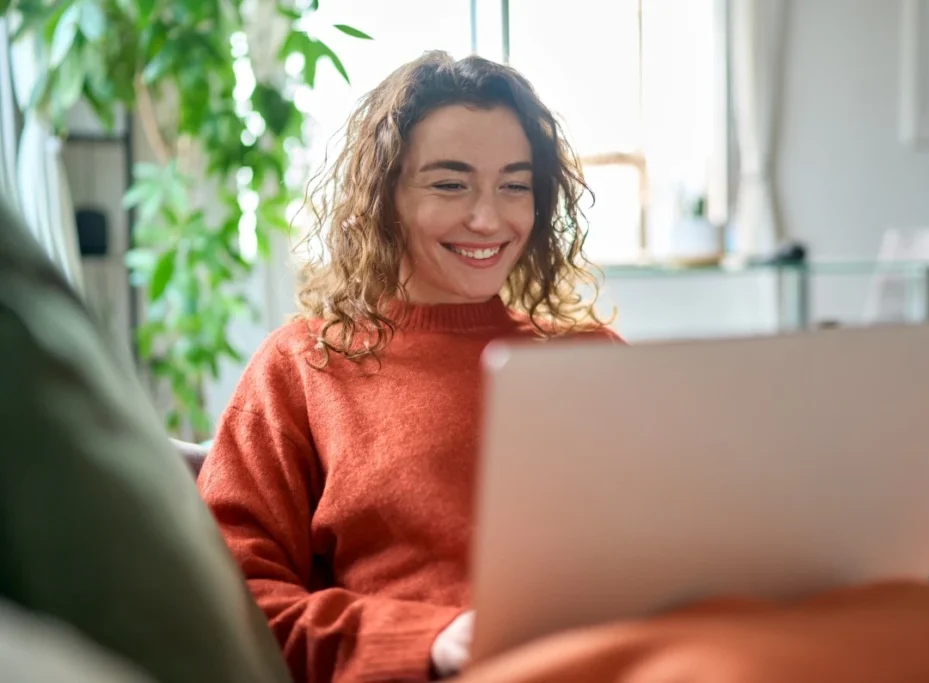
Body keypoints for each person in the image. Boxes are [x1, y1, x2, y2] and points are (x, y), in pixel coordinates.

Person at [197, 50, 618, 682]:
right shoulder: (304, 365)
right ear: (383, 197)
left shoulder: (595, 357)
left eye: (515, 184)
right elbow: (232, 596)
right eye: (450, 183)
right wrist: (430, 639)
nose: (487, 217)